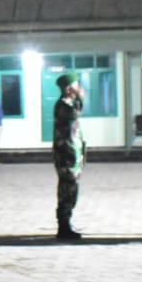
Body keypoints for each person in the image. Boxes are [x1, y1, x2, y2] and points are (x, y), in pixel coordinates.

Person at [52, 73, 85, 240]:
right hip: (66, 155)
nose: (79, 88)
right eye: (76, 85)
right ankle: (63, 226)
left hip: (72, 154)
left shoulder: (68, 104)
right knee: (67, 191)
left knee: (71, 190)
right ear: (68, 88)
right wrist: (80, 98)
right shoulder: (63, 106)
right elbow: (75, 114)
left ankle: (66, 224)